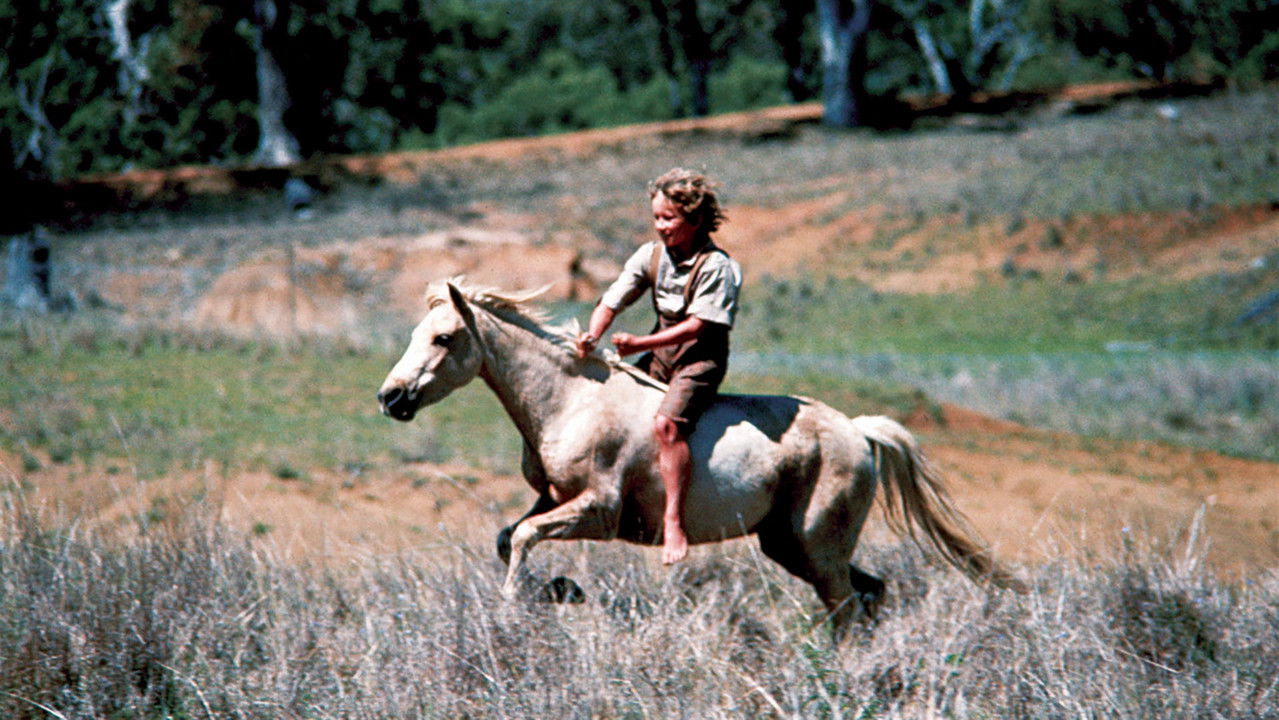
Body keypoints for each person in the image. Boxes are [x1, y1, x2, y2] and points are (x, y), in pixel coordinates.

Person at [575, 168, 743, 564]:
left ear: (696, 220)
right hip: (660, 356)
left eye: (669, 219)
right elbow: (613, 299)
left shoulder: (717, 267)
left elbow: (698, 326)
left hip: (699, 360)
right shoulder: (650, 256)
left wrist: (639, 343)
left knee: (667, 426)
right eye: (656, 218)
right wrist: (594, 334)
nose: (660, 227)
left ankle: (673, 521)